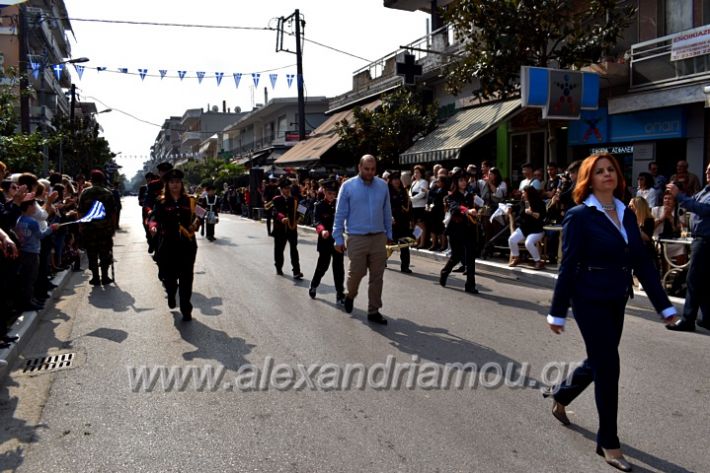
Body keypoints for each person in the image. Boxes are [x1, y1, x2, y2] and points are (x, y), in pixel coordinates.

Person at [544, 153, 678, 472]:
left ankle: (562, 394)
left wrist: (664, 306)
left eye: (611, 170)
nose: (607, 175)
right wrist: (558, 311)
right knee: (609, 365)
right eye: (599, 171)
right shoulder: (579, 215)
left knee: (599, 359)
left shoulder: (627, 214)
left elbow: (642, 263)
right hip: (588, 298)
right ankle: (609, 441)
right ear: (588, 179)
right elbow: (568, 264)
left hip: (616, 296)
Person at [333, 155, 393, 324]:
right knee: (356, 273)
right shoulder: (348, 186)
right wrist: (337, 237)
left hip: (378, 237)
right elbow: (340, 214)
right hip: (356, 237)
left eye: (373, 169)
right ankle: (350, 295)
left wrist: (389, 234)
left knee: (377, 276)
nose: (370, 172)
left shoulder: (382, 186)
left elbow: (387, 212)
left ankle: (373, 311)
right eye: (366, 169)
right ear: (359, 167)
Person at [148, 169, 200, 321]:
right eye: (171, 182)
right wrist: (153, 227)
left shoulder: (190, 200)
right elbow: (153, 218)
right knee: (169, 278)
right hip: (167, 246)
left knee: (187, 277)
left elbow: (199, 216)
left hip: (187, 245)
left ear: (181, 183)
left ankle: (186, 307)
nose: (175, 185)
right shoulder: (161, 201)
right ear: (167, 184)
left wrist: (196, 224)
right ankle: (171, 294)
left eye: (177, 182)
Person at [665, 162, 710, 332]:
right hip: (700, 239)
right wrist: (680, 194)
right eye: (706, 169)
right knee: (704, 281)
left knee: (693, 280)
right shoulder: (705, 191)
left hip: (706, 241)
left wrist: (680, 196)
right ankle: (707, 318)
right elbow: (692, 203)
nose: (707, 172)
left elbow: (702, 209)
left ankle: (687, 320)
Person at [439, 171, 479, 294]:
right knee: (456, 256)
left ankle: (470, 285)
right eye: (461, 180)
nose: (463, 182)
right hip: (456, 230)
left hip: (469, 229)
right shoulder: (451, 196)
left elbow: (478, 206)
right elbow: (455, 208)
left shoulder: (471, 194)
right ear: (456, 182)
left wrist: (479, 210)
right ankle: (444, 272)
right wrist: (467, 210)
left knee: (470, 257)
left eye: (464, 180)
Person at [78, 170, 117, 286]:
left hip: (89, 229)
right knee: (105, 252)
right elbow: (113, 213)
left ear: (91, 179)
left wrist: (81, 226)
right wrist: (113, 227)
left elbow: (79, 211)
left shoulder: (85, 192)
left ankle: (95, 277)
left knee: (92, 252)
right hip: (104, 229)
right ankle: (104, 277)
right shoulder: (108, 193)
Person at [308, 180, 344, 303]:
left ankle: (340, 294)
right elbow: (316, 221)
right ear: (324, 191)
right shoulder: (319, 206)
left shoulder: (339, 205)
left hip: (338, 241)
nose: (331, 196)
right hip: (325, 241)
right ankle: (314, 285)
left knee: (339, 268)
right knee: (323, 266)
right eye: (329, 193)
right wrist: (322, 230)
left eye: (334, 193)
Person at [270, 178, 303, 279]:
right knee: (279, 250)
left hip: (292, 228)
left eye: (288, 188)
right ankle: (279, 267)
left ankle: (296, 271)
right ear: (281, 189)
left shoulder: (295, 199)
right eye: (285, 188)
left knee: (294, 249)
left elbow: (303, 210)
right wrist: (281, 218)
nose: (287, 190)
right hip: (280, 228)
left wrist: (300, 218)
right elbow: (274, 212)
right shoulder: (276, 199)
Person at [508, 186, 547, 269]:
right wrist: (510, 209)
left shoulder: (539, 203)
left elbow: (539, 216)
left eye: (524, 192)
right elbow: (516, 208)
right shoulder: (523, 202)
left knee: (528, 243)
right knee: (512, 239)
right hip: (524, 228)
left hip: (536, 229)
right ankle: (516, 258)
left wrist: (531, 213)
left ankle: (538, 261)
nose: (522, 194)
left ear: (529, 193)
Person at [388, 172, 412, 273]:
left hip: (404, 221)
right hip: (393, 221)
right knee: (391, 244)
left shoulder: (404, 191)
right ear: (391, 181)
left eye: (398, 179)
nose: (397, 181)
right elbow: (385, 207)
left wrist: (411, 219)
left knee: (405, 244)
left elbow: (409, 206)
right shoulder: (387, 191)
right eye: (394, 179)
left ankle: (405, 266)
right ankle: (382, 259)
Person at [409, 165, 428, 248]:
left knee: (421, 225)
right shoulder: (413, 182)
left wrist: (413, 199)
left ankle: (422, 243)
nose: (415, 174)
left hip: (421, 206)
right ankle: (417, 241)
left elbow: (423, 193)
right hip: (414, 206)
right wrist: (410, 197)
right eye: (415, 172)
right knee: (416, 225)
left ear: (421, 173)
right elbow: (409, 191)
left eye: (417, 172)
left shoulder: (424, 182)